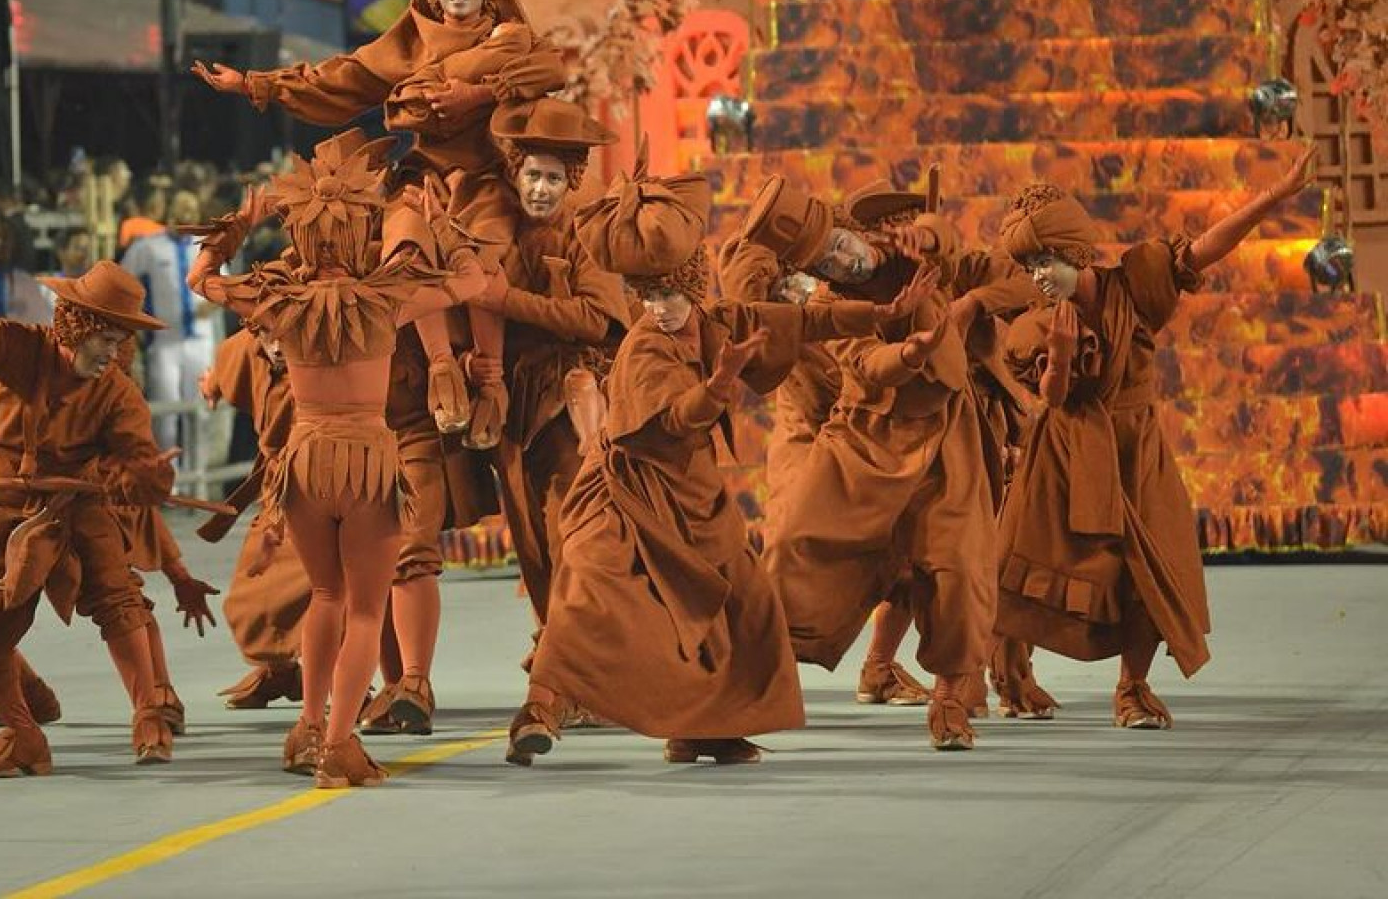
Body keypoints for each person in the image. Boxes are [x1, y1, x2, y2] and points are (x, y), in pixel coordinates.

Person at [504, 161, 928, 768]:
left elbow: (805, 320)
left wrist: (880, 317)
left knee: (745, 603)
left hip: (693, 495)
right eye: (648, 296)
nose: (659, 308)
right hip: (626, 493)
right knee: (589, 596)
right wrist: (721, 383)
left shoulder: (717, 323)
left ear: (693, 288)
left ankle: (707, 727)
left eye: (669, 294)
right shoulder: (645, 348)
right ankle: (538, 712)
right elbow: (675, 420)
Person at [190, 130, 488, 786]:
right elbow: (473, 279)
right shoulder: (387, 298)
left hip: (303, 460)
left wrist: (241, 223)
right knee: (362, 609)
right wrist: (441, 224)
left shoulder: (278, 299)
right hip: (365, 462)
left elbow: (201, 280)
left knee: (325, 595)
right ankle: (337, 743)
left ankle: (305, 726)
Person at [196, 0, 565, 450]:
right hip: (421, 174)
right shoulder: (407, 44)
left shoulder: (509, 38)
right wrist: (255, 84)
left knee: (486, 250)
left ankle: (492, 381)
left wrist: (476, 94)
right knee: (403, 251)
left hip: (484, 175)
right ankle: (441, 368)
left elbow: (553, 68)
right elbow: (338, 79)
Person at [992, 151, 1314, 729]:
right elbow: (1055, 396)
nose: (1038, 275)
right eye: (1028, 265)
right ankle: (1010, 667)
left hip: (1137, 448)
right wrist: (1061, 358)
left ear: (1074, 252)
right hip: (1067, 452)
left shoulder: (1134, 286)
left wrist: (1273, 197)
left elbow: (1205, 248)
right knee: (1037, 565)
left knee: (1153, 567)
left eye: (1045, 260)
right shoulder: (1034, 324)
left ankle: (1132, 688)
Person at [741, 176, 1000, 751]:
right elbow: (866, 363)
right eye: (828, 259)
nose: (844, 260)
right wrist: (909, 351)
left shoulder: (917, 259)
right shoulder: (834, 304)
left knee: (955, 567)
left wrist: (924, 239)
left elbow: (945, 238)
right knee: (793, 547)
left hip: (944, 444)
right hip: (864, 439)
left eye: (843, 244)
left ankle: (952, 698)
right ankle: (743, 684)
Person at [0, 261, 179, 776]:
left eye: (122, 340)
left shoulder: (117, 392)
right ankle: (26, 719)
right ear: (77, 326)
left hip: (77, 507)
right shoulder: (21, 353)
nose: (114, 353)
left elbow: (136, 458)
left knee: (117, 598)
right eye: (106, 338)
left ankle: (150, 716)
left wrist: (143, 477)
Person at [476, 98, 626, 629]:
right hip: (513, 413)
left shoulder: (586, 235)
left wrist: (505, 300)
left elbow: (595, 318)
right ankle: (558, 641)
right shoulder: (498, 233)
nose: (540, 189)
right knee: (532, 538)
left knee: (572, 532)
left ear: (572, 183)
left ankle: (576, 653)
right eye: (533, 175)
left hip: (566, 405)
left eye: (554, 179)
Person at [200, 322, 307, 711]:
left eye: (286, 336)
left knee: (327, 591)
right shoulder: (244, 348)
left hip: (326, 479)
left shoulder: (327, 347)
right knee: (248, 600)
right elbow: (227, 367)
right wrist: (212, 383)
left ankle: (350, 681)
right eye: (269, 336)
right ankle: (280, 671)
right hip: (278, 491)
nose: (278, 346)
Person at [120, 190, 220, 468]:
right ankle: (169, 483)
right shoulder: (148, 247)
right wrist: (138, 320)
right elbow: (122, 281)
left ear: (198, 212)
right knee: (166, 414)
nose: (184, 212)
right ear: (169, 211)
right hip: (164, 342)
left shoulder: (209, 246)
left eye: (190, 207)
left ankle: (197, 481)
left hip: (199, 340)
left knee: (199, 412)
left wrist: (212, 304)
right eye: (179, 206)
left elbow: (227, 286)